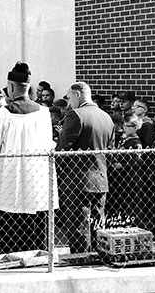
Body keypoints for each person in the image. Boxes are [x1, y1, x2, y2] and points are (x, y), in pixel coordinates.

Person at [0, 62, 57, 255]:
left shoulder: (1, 114)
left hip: (8, 178)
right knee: (33, 233)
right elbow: (48, 143)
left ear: (9, 87)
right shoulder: (43, 113)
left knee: (6, 232)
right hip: (36, 180)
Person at [57, 81, 114, 253]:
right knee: (98, 223)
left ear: (77, 94)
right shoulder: (106, 117)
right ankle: (99, 256)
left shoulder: (76, 115)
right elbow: (110, 151)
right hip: (101, 179)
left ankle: (80, 260)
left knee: (78, 225)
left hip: (77, 180)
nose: (68, 102)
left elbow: (63, 147)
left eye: (69, 98)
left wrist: (60, 168)